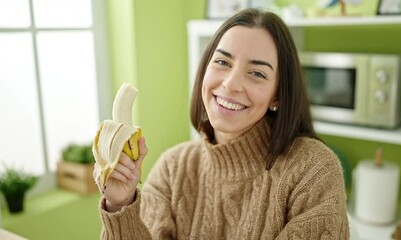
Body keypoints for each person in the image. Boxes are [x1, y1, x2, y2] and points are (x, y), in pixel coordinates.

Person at [95, 8, 349, 240]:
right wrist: (121, 203)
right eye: (222, 62)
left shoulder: (312, 171)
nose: (230, 84)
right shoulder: (173, 169)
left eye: (257, 73)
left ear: (277, 96)